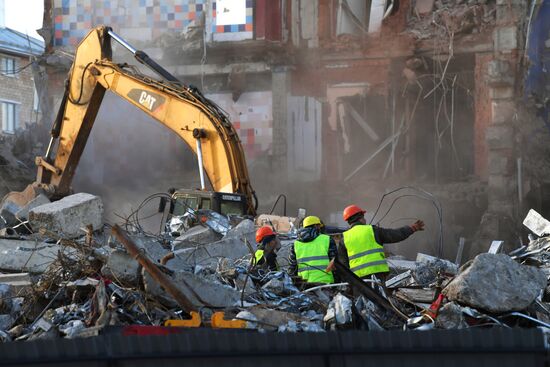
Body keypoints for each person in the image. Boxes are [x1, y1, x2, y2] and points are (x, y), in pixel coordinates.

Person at [341, 204, 424, 280]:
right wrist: (412, 228)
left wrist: (350, 282)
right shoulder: (372, 230)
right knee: (378, 296)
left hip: (358, 279)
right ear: (361, 218)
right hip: (377, 275)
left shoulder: (344, 238)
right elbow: (395, 235)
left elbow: (343, 264)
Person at [288, 216, 336, 285]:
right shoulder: (327, 240)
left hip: (304, 285)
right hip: (326, 283)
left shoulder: (295, 244)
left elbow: (292, 269)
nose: (320, 228)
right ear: (316, 226)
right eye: (319, 226)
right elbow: (335, 263)